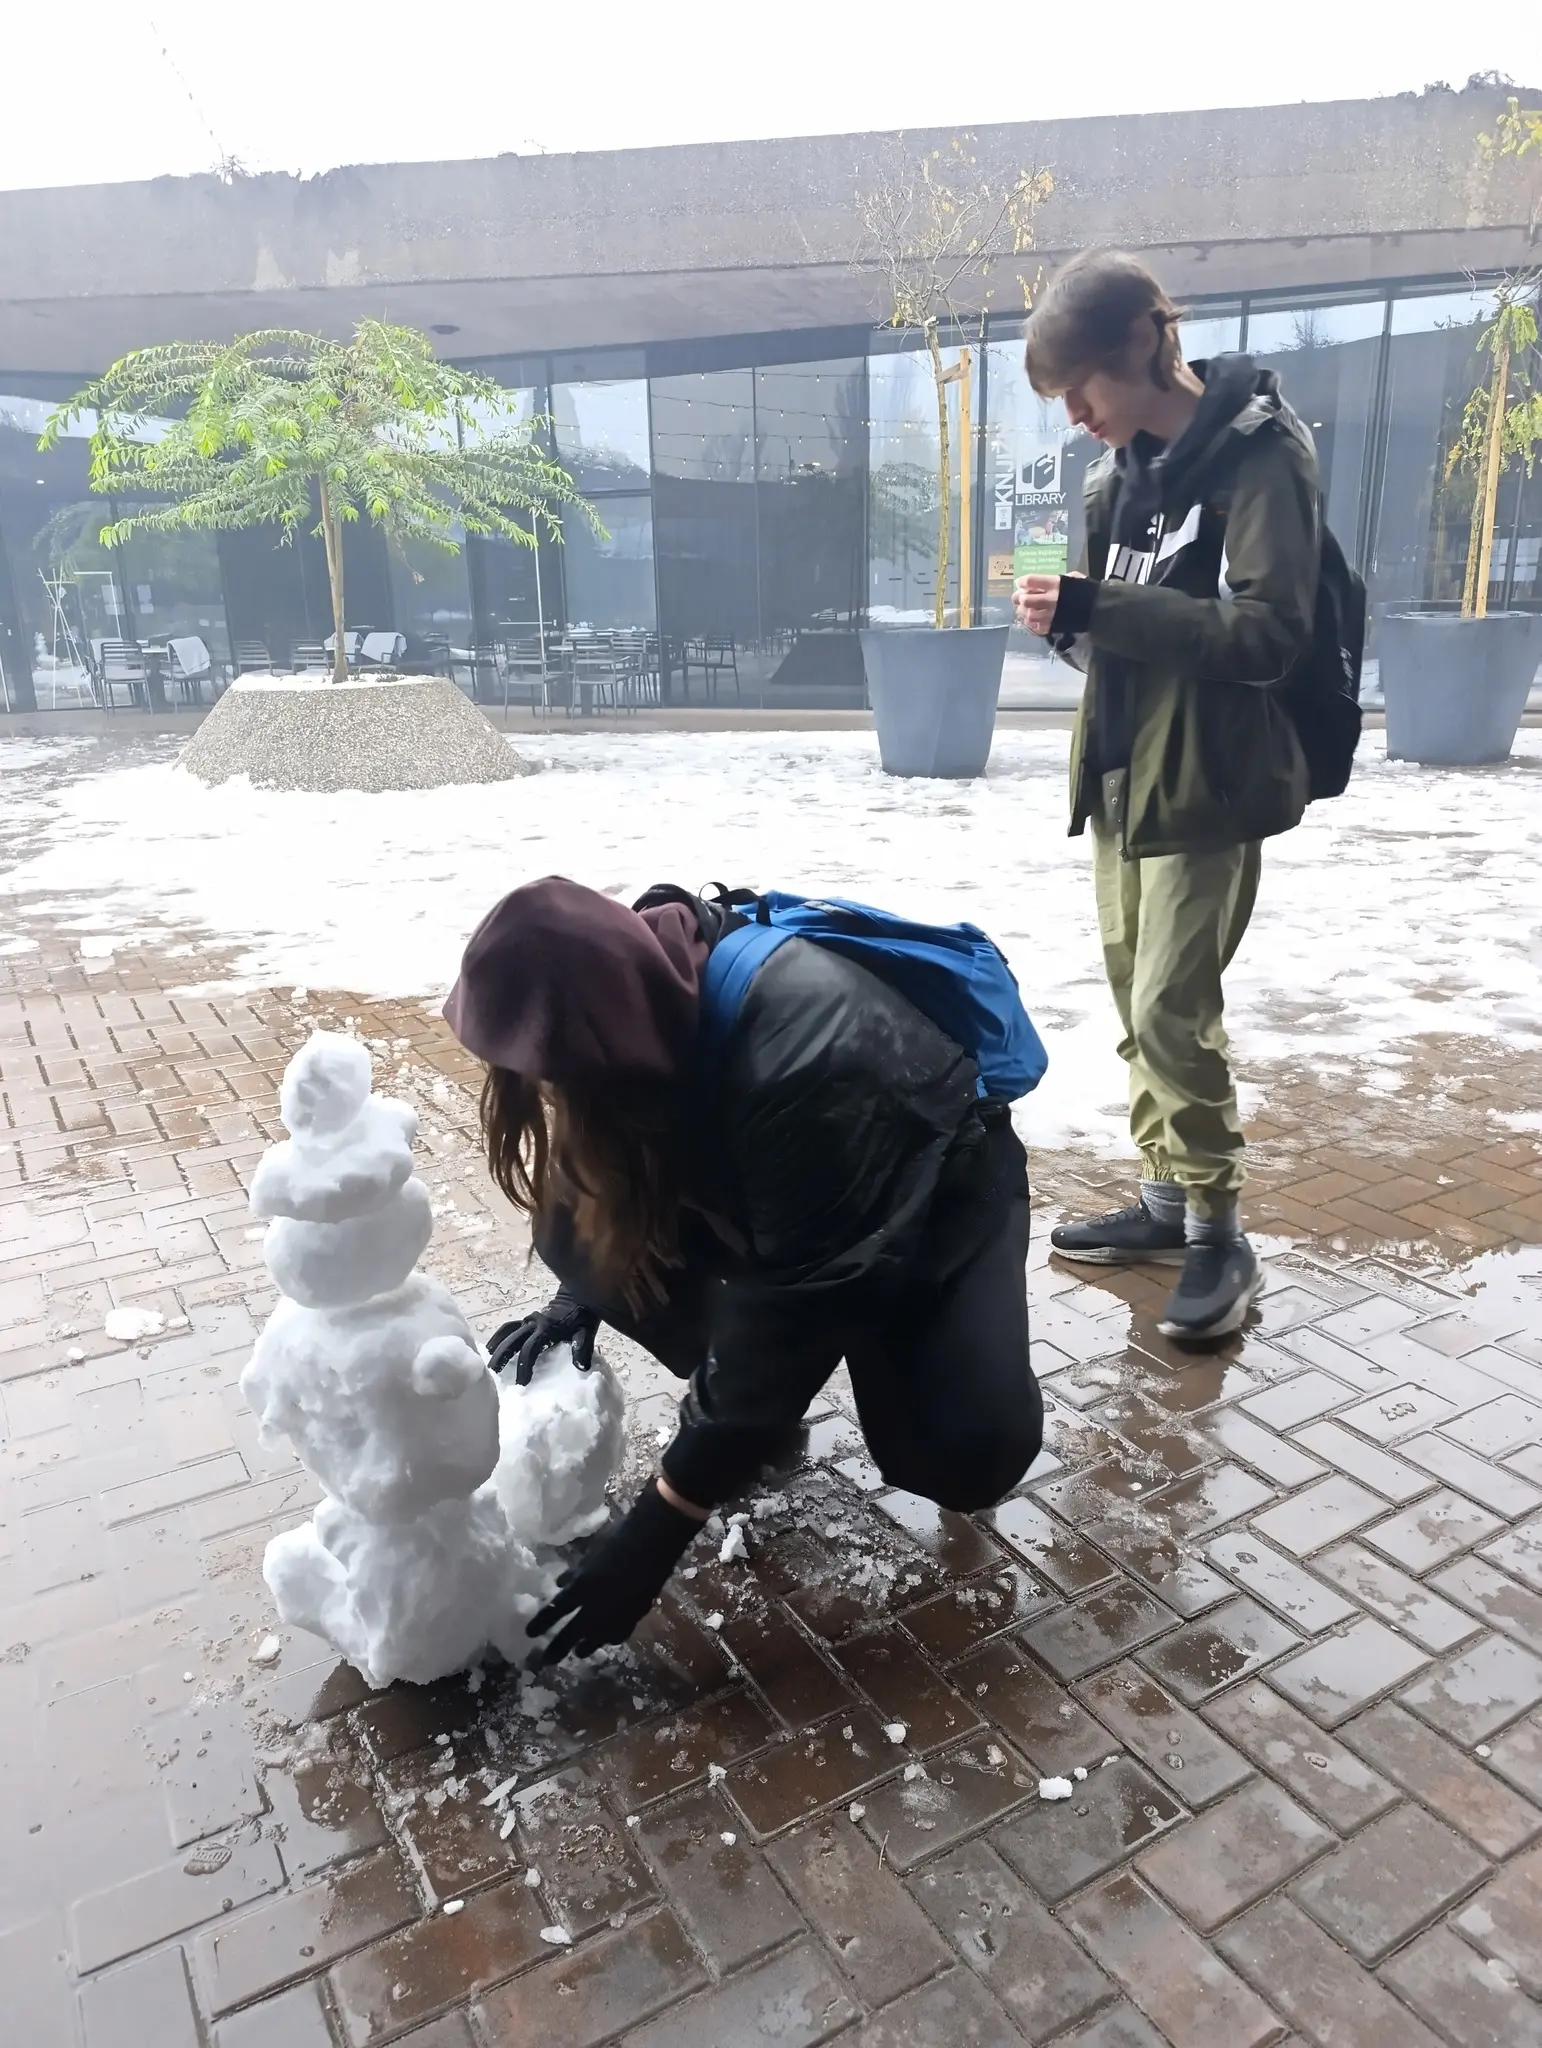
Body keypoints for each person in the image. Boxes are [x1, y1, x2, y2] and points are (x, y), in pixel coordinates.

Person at [442, 876, 1041, 1667]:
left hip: (935, 1188)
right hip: (794, 1185)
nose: (538, 1093)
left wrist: (659, 1527)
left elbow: (795, 1309)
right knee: (581, 1239)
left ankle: (890, 1340)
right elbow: (597, 1171)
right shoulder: (626, 1003)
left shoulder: (809, 1044)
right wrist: (581, 1289)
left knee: (960, 1453)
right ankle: (757, 1404)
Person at [1014, 249, 1319, 1341]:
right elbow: (1114, 645)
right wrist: (1070, 625)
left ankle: (1217, 1231)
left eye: (1080, 388)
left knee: (1170, 1009)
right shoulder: (1111, 481)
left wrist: (1109, 607)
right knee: (1131, 991)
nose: (1077, 413)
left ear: (1143, 341)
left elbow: (1270, 634)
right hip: (1121, 778)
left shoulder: (1261, 458)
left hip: (1209, 784)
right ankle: (1160, 1198)